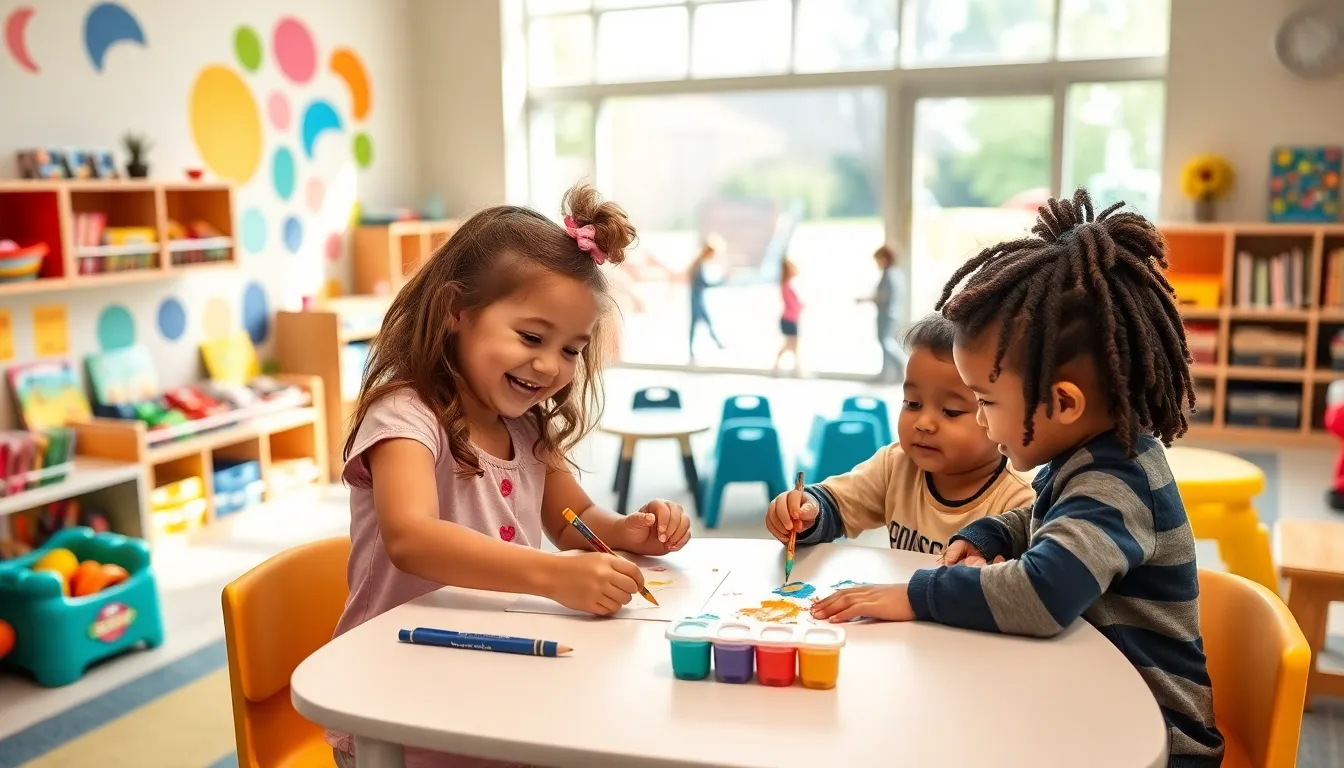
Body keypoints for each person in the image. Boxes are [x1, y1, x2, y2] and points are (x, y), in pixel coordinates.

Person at [811, 190, 1224, 767]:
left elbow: (1041, 594)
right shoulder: (1089, 460)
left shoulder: (1116, 482)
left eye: (985, 401)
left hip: (1153, 737)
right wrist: (994, 534)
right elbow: (1044, 521)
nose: (981, 420)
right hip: (1086, 699)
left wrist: (917, 595)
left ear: (1062, 402)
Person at [331, 183, 692, 768]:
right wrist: (552, 575)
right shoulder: (404, 417)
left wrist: (626, 531)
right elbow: (410, 537)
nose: (551, 366)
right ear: (457, 311)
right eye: (531, 337)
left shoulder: (524, 425)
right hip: (393, 702)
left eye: (572, 349)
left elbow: (574, 519)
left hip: (490, 679)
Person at [765, 313, 1034, 556]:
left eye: (951, 411)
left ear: (1004, 415)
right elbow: (836, 506)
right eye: (912, 403)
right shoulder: (896, 464)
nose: (923, 423)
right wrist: (807, 510)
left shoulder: (1021, 500)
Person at [861, 245, 906, 381]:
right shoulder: (895, 273)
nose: (877, 263)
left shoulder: (889, 275)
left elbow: (882, 297)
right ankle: (886, 373)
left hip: (887, 313)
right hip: (891, 313)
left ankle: (902, 365)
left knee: (886, 342)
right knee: (885, 342)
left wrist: (864, 299)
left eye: (878, 260)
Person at [687, 234, 726, 362]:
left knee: (698, 324)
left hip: (696, 298)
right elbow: (703, 283)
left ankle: (694, 351)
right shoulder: (699, 265)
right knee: (704, 323)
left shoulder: (698, 263)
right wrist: (720, 282)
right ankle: (717, 344)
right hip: (696, 300)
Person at [772, 257, 802, 376]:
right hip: (789, 319)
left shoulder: (786, 285)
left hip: (791, 318)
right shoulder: (786, 286)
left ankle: (795, 366)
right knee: (791, 343)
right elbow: (792, 304)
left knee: (791, 344)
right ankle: (793, 367)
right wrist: (800, 306)